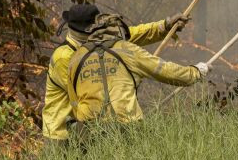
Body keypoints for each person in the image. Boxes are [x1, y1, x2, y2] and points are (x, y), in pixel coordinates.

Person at [42, 3, 190, 142]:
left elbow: (130, 35)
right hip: (62, 135)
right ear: (88, 30)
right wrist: (129, 79)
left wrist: (165, 26)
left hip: (88, 130)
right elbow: (92, 94)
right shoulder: (65, 57)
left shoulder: (96, 43)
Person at [66, 13, 210, 126]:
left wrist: (165, 26)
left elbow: (74, 101)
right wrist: (196, 72)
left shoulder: (76, 57)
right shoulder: (127, 49)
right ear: (118, 32)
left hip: (87, 130)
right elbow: (165, 70)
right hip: (125, 127)